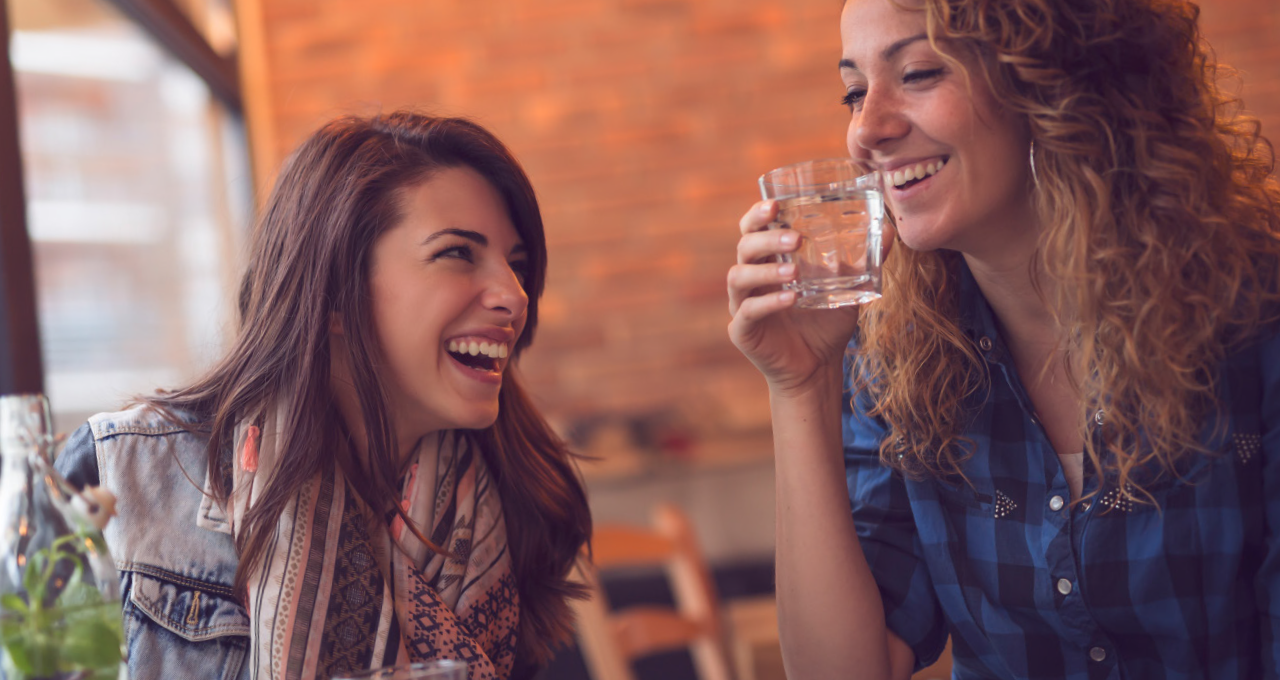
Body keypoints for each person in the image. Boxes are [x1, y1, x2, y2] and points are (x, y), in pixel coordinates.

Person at [727, 0, 1280, 677]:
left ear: (1055, 81)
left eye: (919, 73)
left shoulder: (1255, 319)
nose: (866, 130)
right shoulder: (897, 357)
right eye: (854, 92)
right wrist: (801, 385)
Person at [55, 111, 591, 680]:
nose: (515, 294)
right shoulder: (120, 478)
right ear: (335, 290)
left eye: (517, 264)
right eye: (458, 253)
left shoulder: (508, 511)